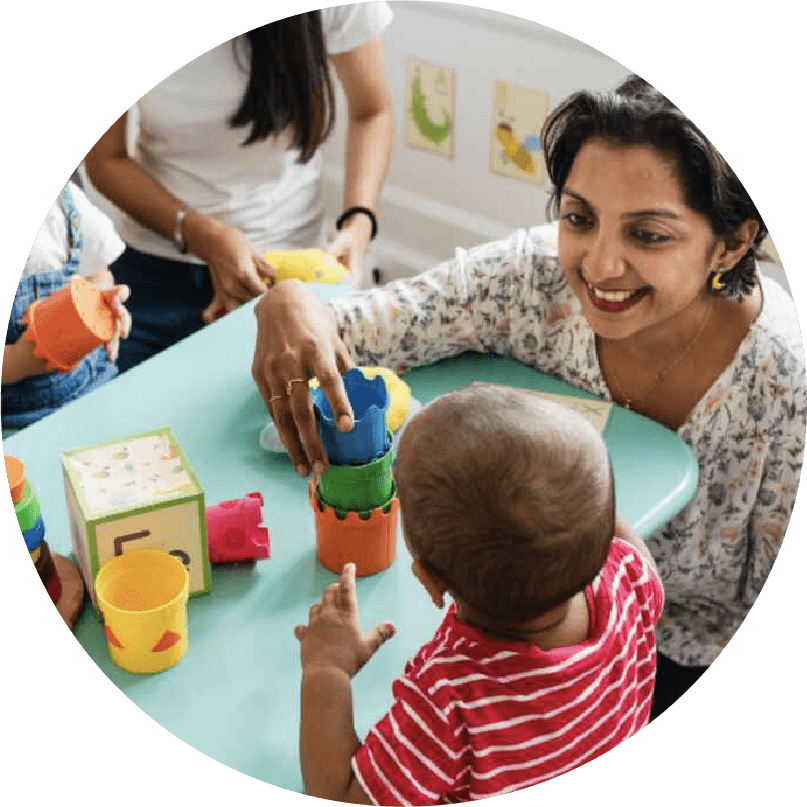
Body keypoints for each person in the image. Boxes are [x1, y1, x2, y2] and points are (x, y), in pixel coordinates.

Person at [253, 75, 807, 719]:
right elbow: (356, 327)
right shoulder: (529, 280)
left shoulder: (784, 382)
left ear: (733, 242)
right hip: (513, 632)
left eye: (648, 235)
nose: (599, 266)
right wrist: (291, 302)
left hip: (677, 663)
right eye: (579, 218)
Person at [295, 385, 664, 803]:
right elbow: (613, 531)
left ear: (432, 582)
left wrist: (327, 670)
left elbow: (339, 794)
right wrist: (569, 495)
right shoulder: (630, 577)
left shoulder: (451, 699)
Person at [84, 2, 394, 372]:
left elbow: (372, 111)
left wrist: (358, 224)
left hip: (287, 271)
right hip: (154, 269)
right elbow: (105, 159)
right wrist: (202, 234)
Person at [2, 180, 131, 431]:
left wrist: (102, 303)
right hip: (13, 420)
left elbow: (98, 274)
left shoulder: (64, 202)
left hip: (91, 384)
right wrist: (17, 361)